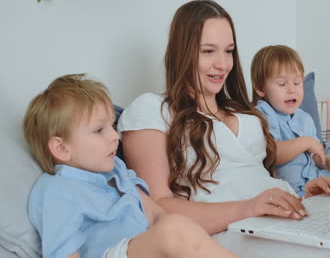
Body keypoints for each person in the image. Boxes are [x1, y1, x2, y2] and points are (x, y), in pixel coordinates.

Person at [118, 0, 330, 258]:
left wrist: (306, 191)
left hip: (284, 214)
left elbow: (265, 175)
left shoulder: (244, 111)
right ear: (182, 52)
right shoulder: (151, 109)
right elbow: (159, 206)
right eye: (208, 51)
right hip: (231, 229)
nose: (222, 64)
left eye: (228, 51)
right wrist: (247, 208)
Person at [23, 74, 238, 258]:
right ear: (61, 148)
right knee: (175, 230)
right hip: (112, 253)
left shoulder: (115, 167)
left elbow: (156, 215)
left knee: (178, 226)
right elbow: (62, 252)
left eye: (112, 125)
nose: (115, 136)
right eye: (99, 130)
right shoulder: (58, 189)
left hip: (142, 246)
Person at [251, 45, 330, 197]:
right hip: (290, 193)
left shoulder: (304, 118)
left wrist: (327, 162)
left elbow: (315, 155)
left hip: (316, 184)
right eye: (282, 84)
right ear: (261, 88)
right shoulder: (263, 114)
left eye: (297, 82)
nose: (291, 89)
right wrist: (305, 142)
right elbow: (271, 154)